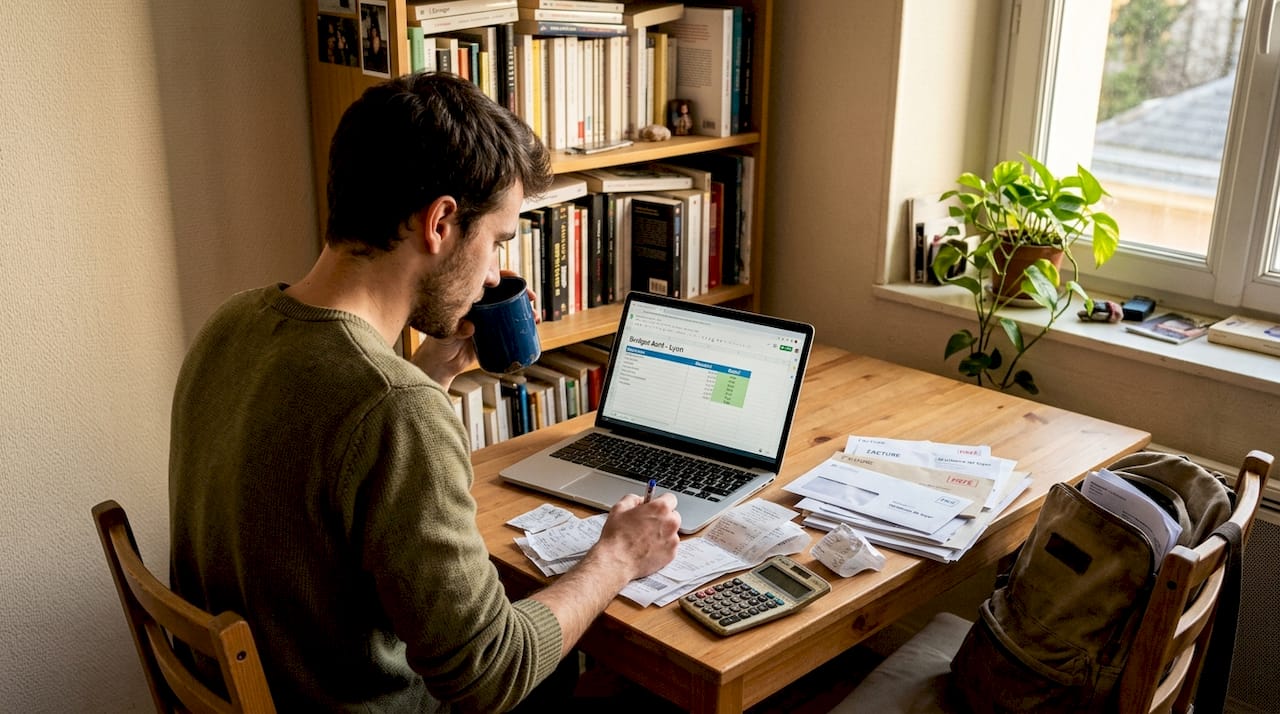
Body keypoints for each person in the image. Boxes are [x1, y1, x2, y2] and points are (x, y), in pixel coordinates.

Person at [168, 72, 682, 712]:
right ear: (440, 222)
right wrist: (620, 555)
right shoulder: (394, 409)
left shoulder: (233, 322)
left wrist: (430, 373)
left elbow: (337, 470)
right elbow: (488, 674)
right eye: (496, 242)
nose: (494, 275)